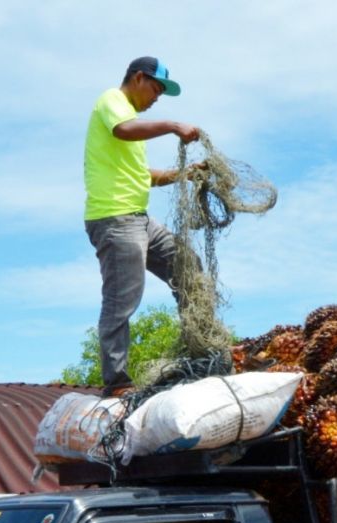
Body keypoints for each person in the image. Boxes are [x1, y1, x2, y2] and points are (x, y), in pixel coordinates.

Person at [83, 56, 201, 396]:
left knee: (187, 265)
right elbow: (123, 130)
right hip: (114, 219)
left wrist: (186, 174)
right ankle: (117, 382)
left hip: (139, 218)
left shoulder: (132, 122)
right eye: (155, 88)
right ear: (138, 78)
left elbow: (144, 177)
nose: (156, 98)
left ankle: (198, 350)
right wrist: (173, 126)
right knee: (123, 298)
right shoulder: (112, 103)